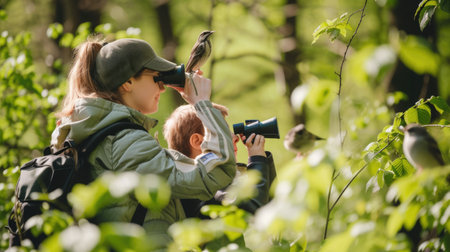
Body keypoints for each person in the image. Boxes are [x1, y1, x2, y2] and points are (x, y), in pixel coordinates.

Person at [51, 37, 236, 250]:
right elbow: (212, 175)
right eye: (157, 78)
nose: (163, 87)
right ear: (128, 82)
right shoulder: (125, 140)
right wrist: (202, 104)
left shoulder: (97, 133)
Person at [163, 103, 277, 218]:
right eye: (221, 132)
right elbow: (250, 212)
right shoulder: (201, 189)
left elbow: (272, 207)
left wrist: (263, 161)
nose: (234, 137)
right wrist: (257, 162)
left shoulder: (211, 181)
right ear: (198, 141)